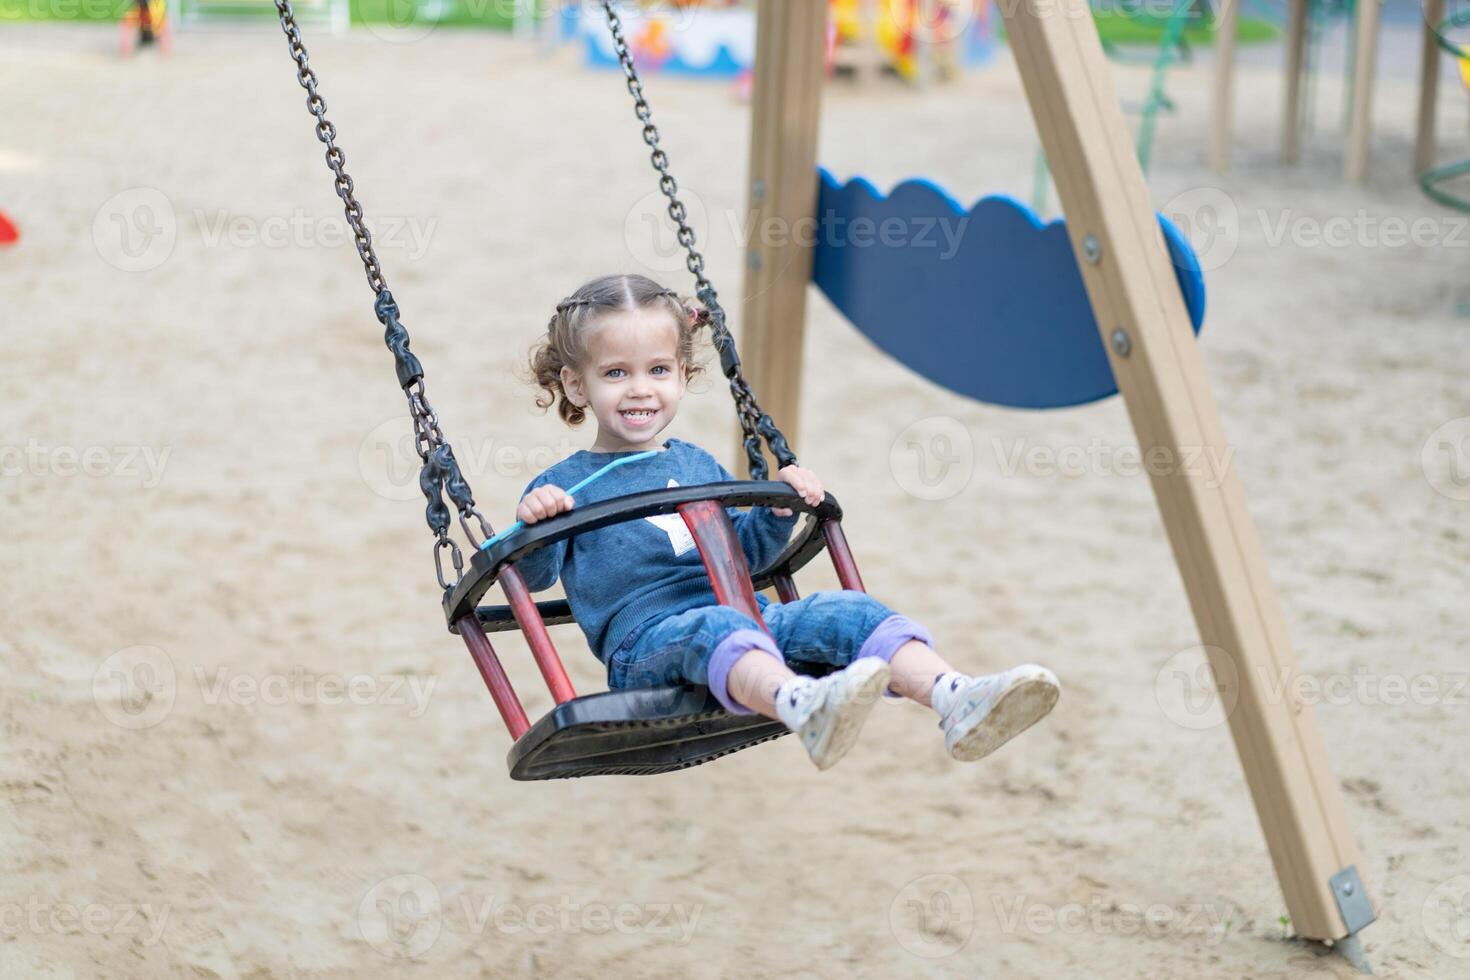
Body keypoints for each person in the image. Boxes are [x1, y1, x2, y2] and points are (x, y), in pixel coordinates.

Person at [513, 273, 1060, 770]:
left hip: (746, 617)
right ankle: (803, 704)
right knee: (720, 627)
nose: (640, 388)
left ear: (682, 374)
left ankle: (956, 696)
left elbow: (744, 557)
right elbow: (533, 579)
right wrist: (535, 525)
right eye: (615, 373)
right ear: (577, 385)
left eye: (658, 370)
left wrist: (776, 514)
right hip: (647, 645)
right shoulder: (565, 486)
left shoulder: (695, 463)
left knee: (845, 612)